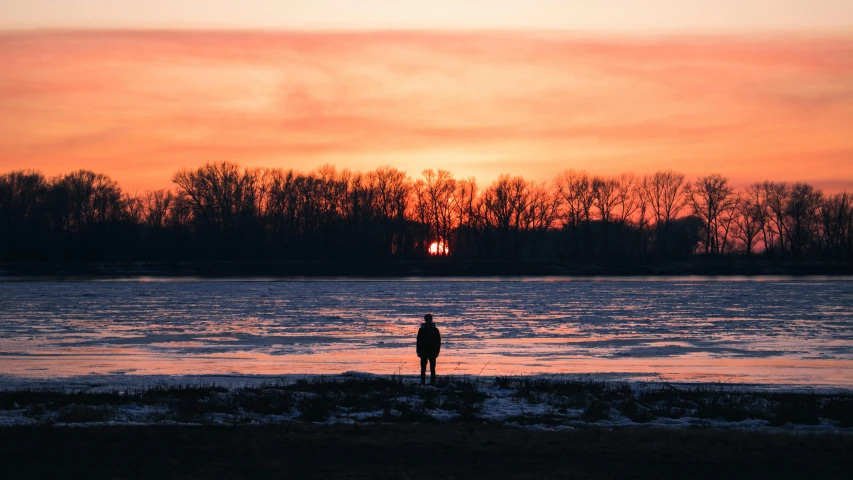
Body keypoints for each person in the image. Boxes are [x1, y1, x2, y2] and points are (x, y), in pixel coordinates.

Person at [416, 313, 441, 385]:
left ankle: (433, 382)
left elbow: (438, 341)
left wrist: (437, 351)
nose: (427, 321)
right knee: (423, 368)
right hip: (423, 351)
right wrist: (418, 351)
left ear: (431, 320)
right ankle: (422, 383)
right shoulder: (421, 330)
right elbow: (418, 341)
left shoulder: (435, 330)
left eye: (429, 320)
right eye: (426, 320)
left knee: (432, 368)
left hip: (432, 352)